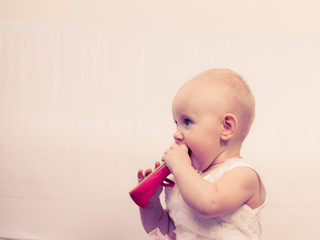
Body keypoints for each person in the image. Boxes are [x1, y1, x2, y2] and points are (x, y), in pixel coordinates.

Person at [137, 68, 267, 240]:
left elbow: (209, 203)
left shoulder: (243, 175)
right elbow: (166, 230)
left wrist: (181, 166)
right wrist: (150, 202)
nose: (176, 133)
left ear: (226, 127)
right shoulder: (187, 179)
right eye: (176, 123)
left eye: (187, 122)